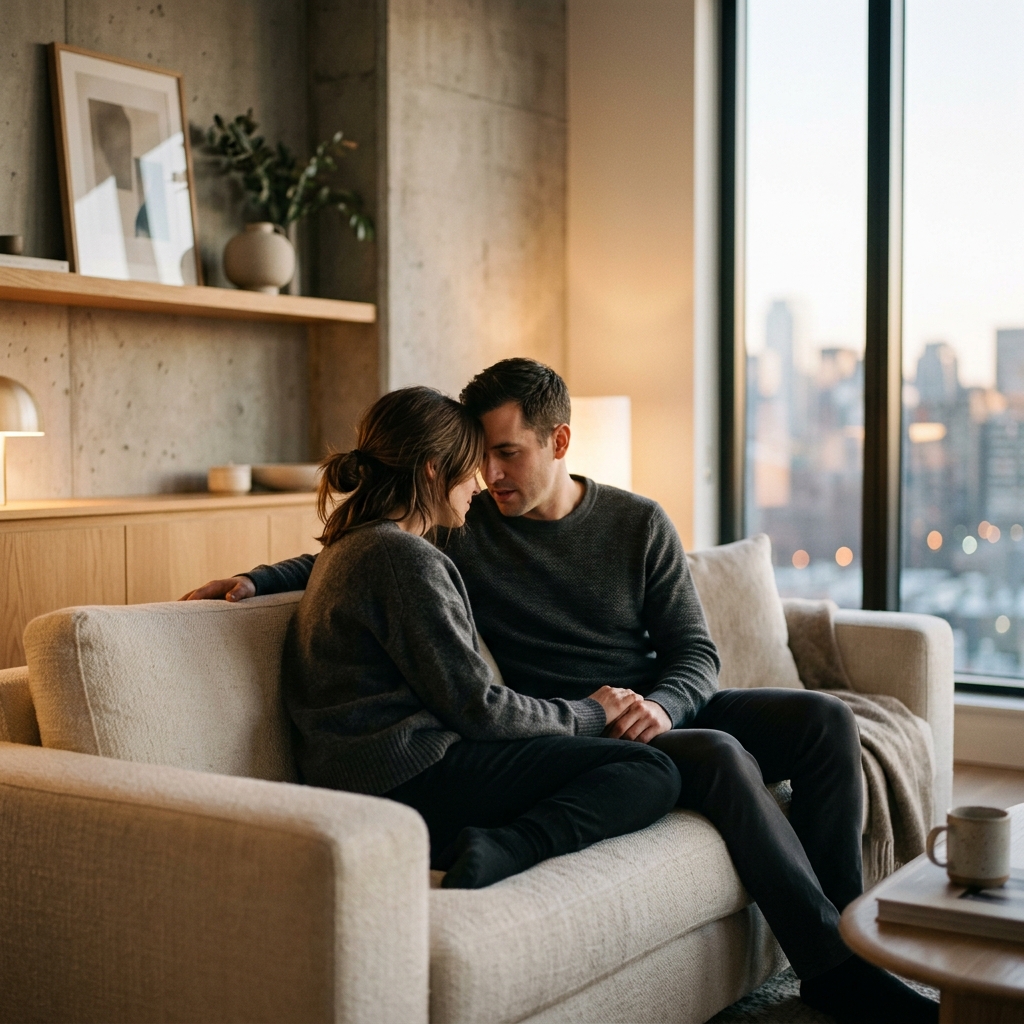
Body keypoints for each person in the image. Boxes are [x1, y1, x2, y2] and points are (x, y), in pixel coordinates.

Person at [185, 361, 937, 1024]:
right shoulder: (464, 521)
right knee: (710, 755)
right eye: (479, 460)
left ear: (560, 442)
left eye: (507, 455)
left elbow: (694, 653)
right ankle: (835, 975)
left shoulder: (638, 522)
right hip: (562, 722)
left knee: (824, 721)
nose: (490, 478)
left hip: (644, 702)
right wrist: (258, 580)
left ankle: (843, 939)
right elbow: (362, 549)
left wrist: (662, 705)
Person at [263, 384, 681, 890]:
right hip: (407, 779)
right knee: (648, 769)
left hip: (379, 775)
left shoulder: (357, 546)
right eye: (470, 467)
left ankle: (493, 837)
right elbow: (480, 708)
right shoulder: (402, 559)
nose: (479, 486)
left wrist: (257, 578)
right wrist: (592, 713)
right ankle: (505, 846)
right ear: (434, 470)